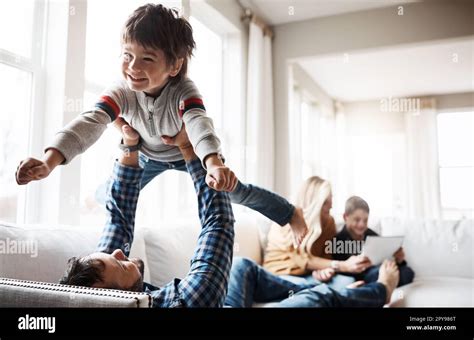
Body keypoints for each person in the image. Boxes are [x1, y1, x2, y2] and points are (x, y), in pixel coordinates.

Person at [14, 3, 307, 244]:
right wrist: (49, 160)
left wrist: (214, 163)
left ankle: (290, 213)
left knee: (235, 190)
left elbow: (199, 125)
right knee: (116, 192)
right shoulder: (122, 91)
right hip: (147, 156)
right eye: (127, 55)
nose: (133, 67)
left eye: (147, 58)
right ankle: (94, 199)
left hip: (186, 155)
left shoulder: (184, 92)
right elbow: (91, 120)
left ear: (174, 65)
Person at [59, 125, 234, 307]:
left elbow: (118, 219)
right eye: (120, 265)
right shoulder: (186, 302)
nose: (118, 252)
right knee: (244, 269)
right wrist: (188, 147)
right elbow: (218, 223)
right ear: (124, 298)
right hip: (232, 297)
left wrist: (130, 142)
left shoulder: (102, 284)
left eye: (110, 255)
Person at [263, 177, 368, 290]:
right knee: (312, 287)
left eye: (331, 199)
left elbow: (326, 255)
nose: (331, 205)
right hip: (281, 275)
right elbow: (302, 259)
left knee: (347, 281)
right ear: (314, 202)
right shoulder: (288, 219)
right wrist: (342, 266)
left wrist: (325, 270)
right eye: (326, 202)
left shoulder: (328, 222)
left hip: (309, 275)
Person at [225, 257, 400, 308]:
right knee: (319, 295)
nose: (330, 208)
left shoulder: (327, 225)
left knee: (241, 265)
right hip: (289, 273)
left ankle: (339, 293)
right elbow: (300, 258)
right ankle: (381, 291)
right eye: (327, 204)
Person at [331, 196, 415, 287]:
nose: (362, 225)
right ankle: (385, 282)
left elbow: (386, 258)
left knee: (407, 272)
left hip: (379, 269)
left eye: (365, 220)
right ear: (345, 217)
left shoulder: (370, 234)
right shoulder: (337, 240)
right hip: (360, 275)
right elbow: (339, 269)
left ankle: (386, 282)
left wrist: (399, 260)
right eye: (357, 220)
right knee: (376, 274)